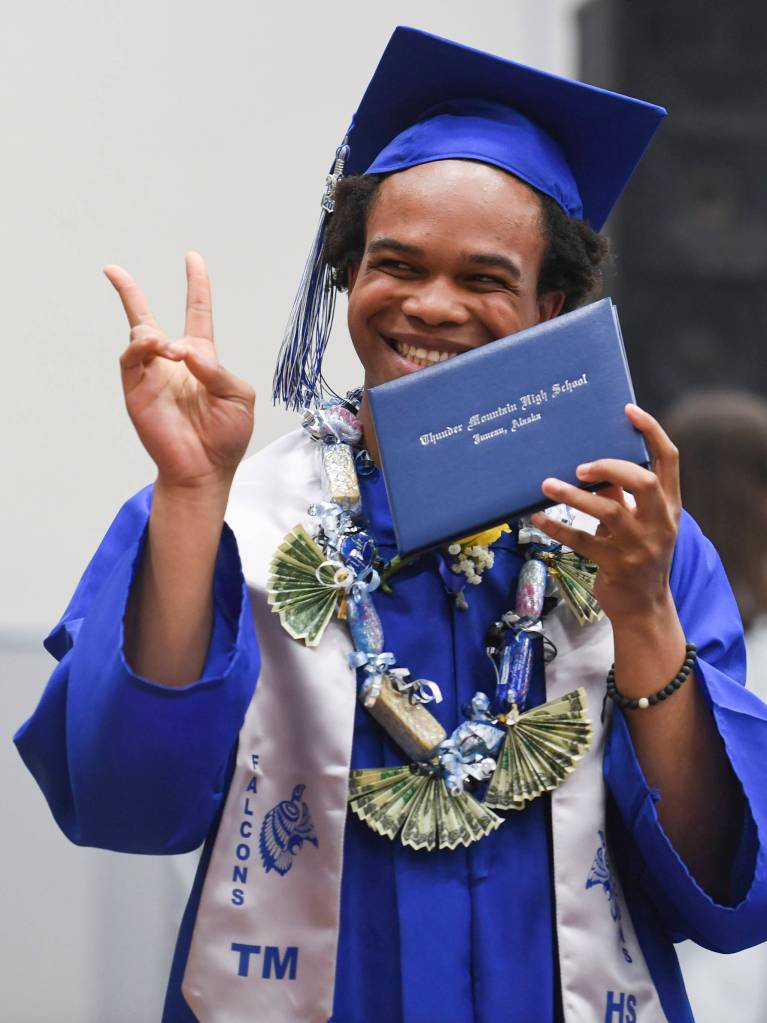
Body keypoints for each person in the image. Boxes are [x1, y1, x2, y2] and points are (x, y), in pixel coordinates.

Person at [14, 27, 767, 1023]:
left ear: (551, 306)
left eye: (484, 279)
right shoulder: (234, 517)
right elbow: (126, 804)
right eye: (395, 264)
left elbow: (720, 883)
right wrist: (190, 495)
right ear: (347, 276)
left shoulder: (635, 541)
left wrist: (639, 614)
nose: (429, 305)